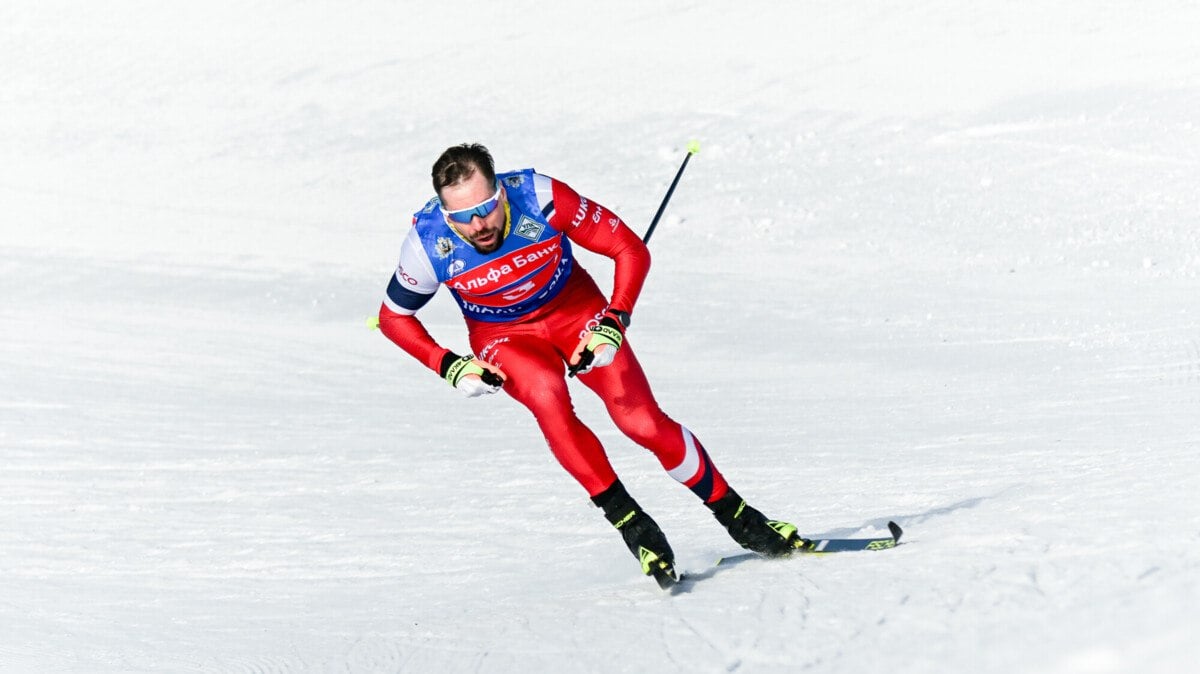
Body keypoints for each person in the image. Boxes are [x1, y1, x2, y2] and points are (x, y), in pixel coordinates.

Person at [378, 143, 811, 586]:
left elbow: (629, 249)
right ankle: (634, 526)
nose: (478, 225)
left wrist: (614, 320)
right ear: (444, 214)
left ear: (501, 193)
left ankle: (740, 517)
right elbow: (393, 317)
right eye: (462, 217)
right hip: (503, 336)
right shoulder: (428, 243)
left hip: (575, 310)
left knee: (640, 422)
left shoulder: (541, 196)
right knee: (546, 394)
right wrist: (448, 364)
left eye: (486, 208)